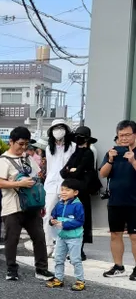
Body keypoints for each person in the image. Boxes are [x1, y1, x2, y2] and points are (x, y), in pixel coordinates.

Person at [0, 126, 52, 282]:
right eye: (20, 144)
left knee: (39, 237)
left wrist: (41, 203)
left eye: (26, 144)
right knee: (12, 239)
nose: (23, 147)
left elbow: (37, 177)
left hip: (32, 206)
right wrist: (18, 184)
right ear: (11, 142)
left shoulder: (27, 158)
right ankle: (11, 270)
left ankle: (41, 269)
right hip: (12, 206)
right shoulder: (3, 160)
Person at [99, 118, 136, 280]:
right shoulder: (113, 151)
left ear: (135, 135)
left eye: (128, 134)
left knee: (135, 236)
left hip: (134, 201)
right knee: (115, 234)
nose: (124, 138)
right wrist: (110, 159)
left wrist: (133, 160)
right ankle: (118, 266)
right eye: (121, 135)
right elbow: (103, 173)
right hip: (115, 200)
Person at [62, 126, 97, 258]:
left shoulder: (89, 153)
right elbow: (63, 172)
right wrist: (70, 170)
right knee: (70, 218)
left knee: (82, 219)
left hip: (82, 191)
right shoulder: (75, 153)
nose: (78, 140)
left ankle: (79, 250)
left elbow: (77, 171)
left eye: (80, 137)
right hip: (72, 190)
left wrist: (72, 170)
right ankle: (72, 249)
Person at [46, 178, 86, 291]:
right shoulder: (59, 204)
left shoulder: (77, 205)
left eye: (67, 190)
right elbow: (53, 215)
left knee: (75, 259)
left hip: (74, 237)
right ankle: (58, 278)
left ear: (75, 192)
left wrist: (64, 224)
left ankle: (80, 280)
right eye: (62, 189)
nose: (63, 192)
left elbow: (80, 221)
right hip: (61, 236)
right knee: (58, 258)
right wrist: (51, 221)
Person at [43, 121, 76, 251]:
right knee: (48, 214)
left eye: (61, 128)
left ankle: (61, 245)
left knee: (65, 214)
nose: (58, 130)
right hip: (51, 184)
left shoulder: (72, 146)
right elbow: (50, 167)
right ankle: (48, 244)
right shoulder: (48, 148)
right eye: (55, 128)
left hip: (66, 183)